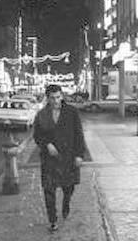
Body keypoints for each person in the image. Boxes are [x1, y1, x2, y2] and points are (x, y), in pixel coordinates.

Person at [33, 84, 87, 232]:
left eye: (58, 97)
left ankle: (66, 203)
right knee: (48, 190)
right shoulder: (42, 115)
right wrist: (47, 145)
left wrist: (79, 155)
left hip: (68, 157)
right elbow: (37, 135)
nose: (56, 101)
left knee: (68, 187)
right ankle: (52, 220)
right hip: (49, 160)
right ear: (47, 98)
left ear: (62, 96)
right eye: (52, 98)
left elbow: (79, 135)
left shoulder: (72, 112)